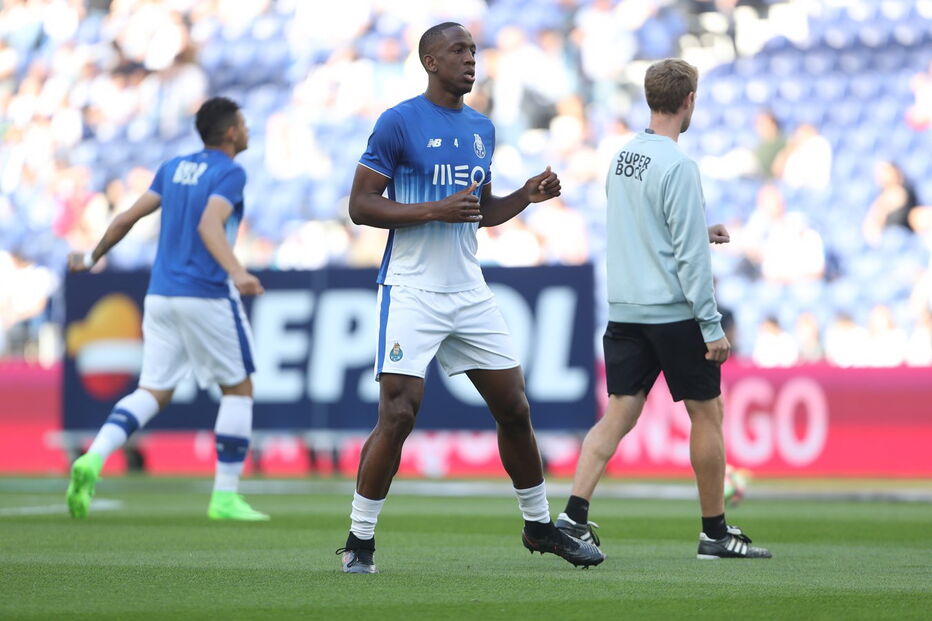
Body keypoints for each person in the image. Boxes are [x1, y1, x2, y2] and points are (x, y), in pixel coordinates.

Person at [337, 22, 604, 574]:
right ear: (430, 61)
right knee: (398, 414)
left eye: (474, 51)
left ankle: (537, 527)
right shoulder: (398, 122)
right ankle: (360, 541)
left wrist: (525, 198)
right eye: (459, 50)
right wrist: (431, 210)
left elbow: (478, 212)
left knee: (515, 406)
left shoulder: (482, 128)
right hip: (411, 288)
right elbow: (361, 206)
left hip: (467, 288)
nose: (471, 59)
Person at [556, 58, 771, 560]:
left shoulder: (622, 157)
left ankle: (573, 516)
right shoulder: (679, 165)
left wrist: (698, 228)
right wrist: (711, 325)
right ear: (689, 101)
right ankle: (714, 534)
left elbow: (643, 229)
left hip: (626, 310)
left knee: (619, 414)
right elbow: (689, 261)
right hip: (673, 312)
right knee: (708, 413)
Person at [65, 97, 269, 522]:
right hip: (206, 294)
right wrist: (237, 271)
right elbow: (209, 225)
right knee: (238, 390)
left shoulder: (173, 167)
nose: (247, 130)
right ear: (230, 132)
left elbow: (125, 219)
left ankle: (94, 458)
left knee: (153, 390)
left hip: (160, 296)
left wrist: (90, 258)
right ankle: (225, 497)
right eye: (244, 124)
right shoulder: (230, 172)